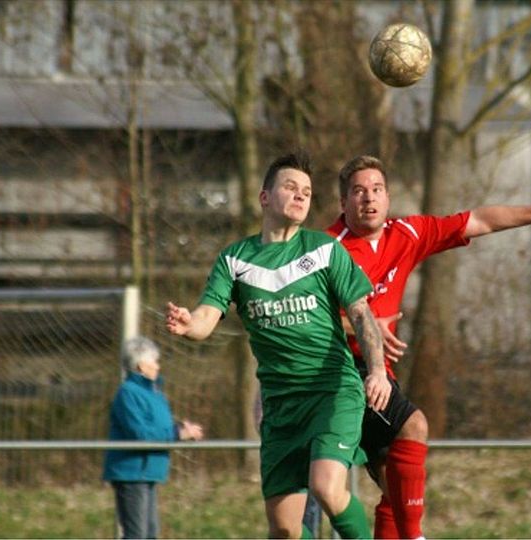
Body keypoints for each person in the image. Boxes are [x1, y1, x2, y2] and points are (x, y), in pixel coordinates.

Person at [326, 155, 531, 539]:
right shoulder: (326, 250)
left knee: (395, 486)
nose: (369, 198)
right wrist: (362, 323)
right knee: (414, 428)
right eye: (358, 191)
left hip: (379, 373)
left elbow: (480, 220)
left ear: (388, 198)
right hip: (340, 372)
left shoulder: (406, 233)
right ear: (343, 202)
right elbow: (304, 315)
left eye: (377, 189)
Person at [165, 151, 392, 539]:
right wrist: (189, 325)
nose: (301, 195)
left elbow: (361, 315)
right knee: (285, 531)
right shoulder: (235, 260)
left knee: (325, 486)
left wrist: (376, 371)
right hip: (281, 406)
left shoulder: (324, 250)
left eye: (307, 191)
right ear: (264, 197)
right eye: (290, 187)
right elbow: (206, 317)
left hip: (332, 392)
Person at [102, 336, 205, 540]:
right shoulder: (128, 393)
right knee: (136, 535)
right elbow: (140, 434)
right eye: (155, 361)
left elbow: (158, 428)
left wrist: (180, 429)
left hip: (149, 471)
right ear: (141, 366)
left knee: (150, 534)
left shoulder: (155, 393)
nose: (158, 366)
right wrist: (177, 434)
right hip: (132, 473)